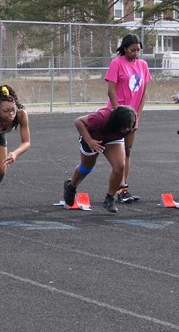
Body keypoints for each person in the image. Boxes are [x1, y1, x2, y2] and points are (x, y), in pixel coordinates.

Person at [63, 106, 138, 214]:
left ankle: (109, 199)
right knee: (86, 168)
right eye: (123, 128)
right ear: (116, 122)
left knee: (119, 166)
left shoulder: (132, 120)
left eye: (128, 127)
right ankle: (71, 187)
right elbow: (78, 121)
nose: (126, 130)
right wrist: (89, 141)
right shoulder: (101, 118)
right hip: (93, 137)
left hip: (113, 139)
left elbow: (128, 141)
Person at [105, 33, 151, 205]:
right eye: (133, 50)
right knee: (116, 153)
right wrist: (119, 112)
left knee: (128, 151)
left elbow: (143, 93)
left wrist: (136, 117)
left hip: (132, 116)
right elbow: (111, 91)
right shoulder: (116, 63)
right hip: (117, 115)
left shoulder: (143, 65)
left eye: (138, 50)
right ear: (125, 49)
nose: (136, 53)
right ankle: (74, 184)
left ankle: (123, 189)